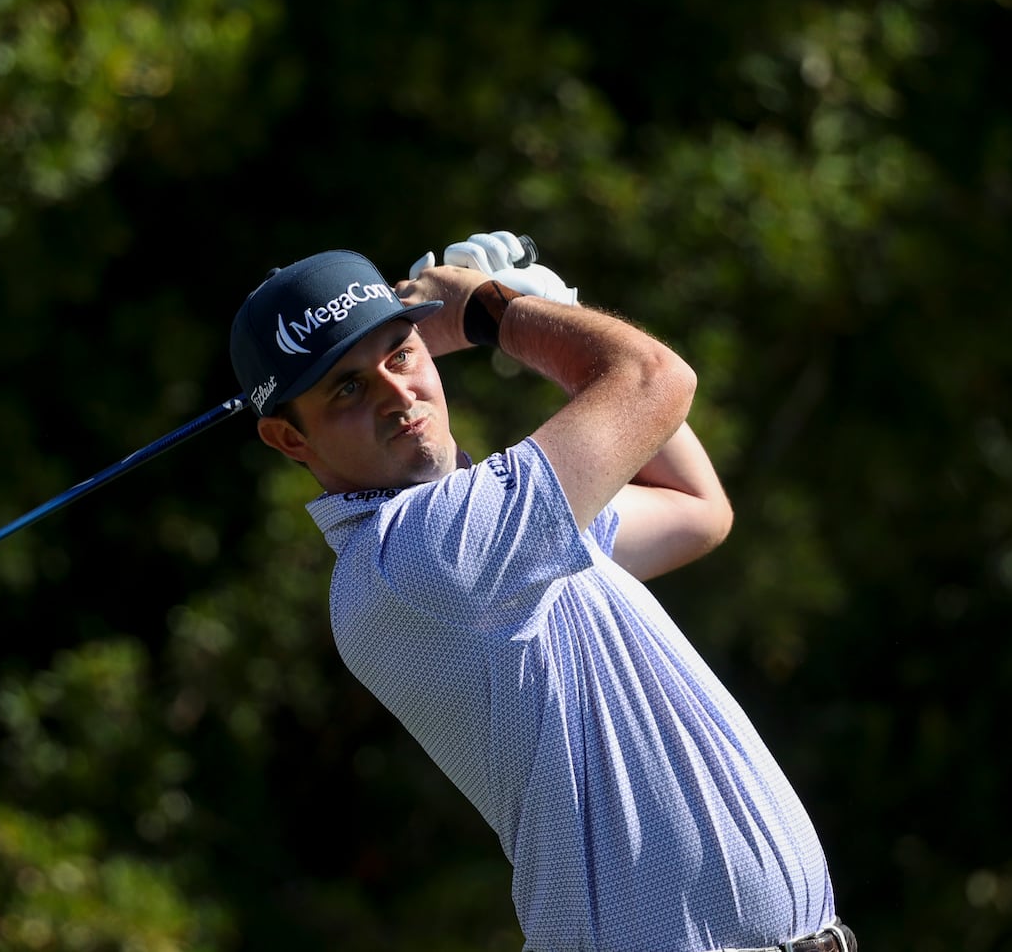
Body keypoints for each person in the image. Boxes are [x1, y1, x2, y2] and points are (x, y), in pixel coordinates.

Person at [227, 234, 855, 952]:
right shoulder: (428, 552)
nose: (398, 395)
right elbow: (655, 378)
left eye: (401, 354)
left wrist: (555, 310)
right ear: (289, 438)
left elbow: (695, 508)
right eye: (347, 387)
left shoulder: (496, 533)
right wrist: (496, 313)